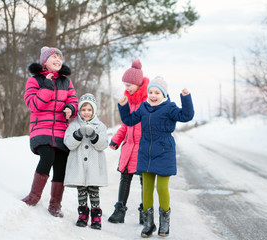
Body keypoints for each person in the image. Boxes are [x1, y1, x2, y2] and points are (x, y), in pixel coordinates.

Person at [117, 76, 194, 238]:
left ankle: (164, 223)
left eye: (157, 92)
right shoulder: (144, 108)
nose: (153, 95)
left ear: (163, 94)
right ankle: (148, 223)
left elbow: (186, 116)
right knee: (147, 189)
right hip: (145, 153)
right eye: (150, 91)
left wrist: (186, 98)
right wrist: (123, 106)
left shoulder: (169, 108)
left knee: (161, 188)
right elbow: (129, 120)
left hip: (164, 152)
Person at [22, 46, 78, 218]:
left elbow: (74, 101)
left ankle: (55, 205)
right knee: (48, 157)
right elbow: (34, 105)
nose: (58, 60)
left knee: (61, 164)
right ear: (44, 61)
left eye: (60, 57)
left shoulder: (66, 82)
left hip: (61, 129)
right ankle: (34, 196)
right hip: (41, 128)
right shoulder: (34, 80)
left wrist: (70, 108)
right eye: (54, 56)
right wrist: (47, 85)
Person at [108, 59, 149, 224]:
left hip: (144, 149)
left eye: (129, 85)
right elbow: (126, 125)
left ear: (138, 83)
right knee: (125, 178)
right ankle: (120, 210)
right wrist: (116, 140)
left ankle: (145, 211)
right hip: (129, 148)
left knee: (144, 181)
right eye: (125, 85)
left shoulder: (147, 102)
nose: (127, 88)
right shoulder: (129, 102)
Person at [63, 93, 109, 230]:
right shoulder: (73, 125)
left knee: (93, 189)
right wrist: (77, 134)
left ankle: (96, 216)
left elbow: (104, 144)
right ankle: (83, 215)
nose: (86, 112)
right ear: (79, 111)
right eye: (83, 109)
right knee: (81, 189)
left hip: (94, 165)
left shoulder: (100, 126)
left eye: (89, 110)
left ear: (93, 110)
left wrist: (94, 136)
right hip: (79, 165)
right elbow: (69, 144)